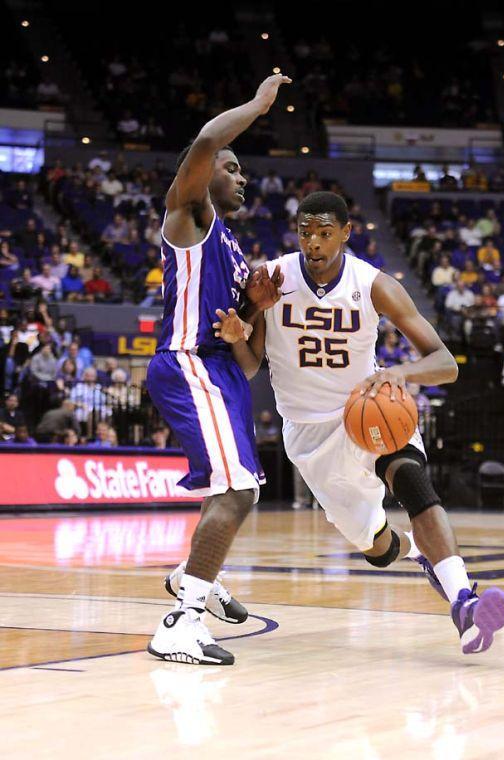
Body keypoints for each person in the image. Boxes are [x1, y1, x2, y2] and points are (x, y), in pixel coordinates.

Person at [208, 191, 504, 656]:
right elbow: (250, 368)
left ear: (346, 233)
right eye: (306, 233)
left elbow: (445, 362)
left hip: (370, 409)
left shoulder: (374, 285)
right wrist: (238, 332)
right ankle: (416, 553)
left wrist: (398, 373)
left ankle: (464, 603)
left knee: (412, 481)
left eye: (325, 233)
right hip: (310, 433)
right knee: (375, 546)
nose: (314, 243)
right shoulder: (272, 278)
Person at [146, 73, 291, 666]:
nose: (241, 175)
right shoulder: (189, 215)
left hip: (223, 374)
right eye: (230, 167)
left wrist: (255, 310)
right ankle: (180, 624)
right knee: (235, 490)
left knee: (238, 491)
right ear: (202, 174)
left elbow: (251, 362)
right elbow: (206, 139)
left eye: (240, 170)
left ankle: (191, 576)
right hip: (188, 365)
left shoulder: (232, 247)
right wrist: (258, 106)